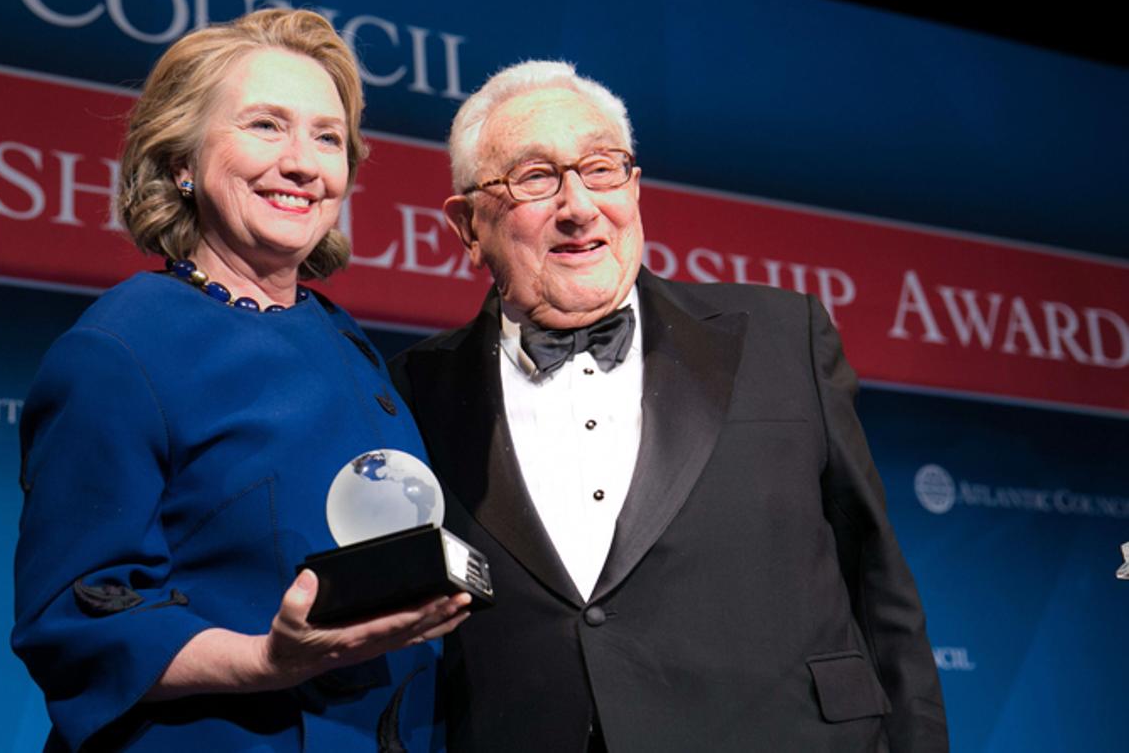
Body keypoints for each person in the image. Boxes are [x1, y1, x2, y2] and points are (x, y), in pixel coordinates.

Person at [388, 61, 948, 752]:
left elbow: (879, 585)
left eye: (600, 169)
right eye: (534, 178)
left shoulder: (783, 337)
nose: (578, 206)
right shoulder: (413, 389)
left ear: (634, 188)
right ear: (467, 225)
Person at [12, 8, 469, 752]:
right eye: (265, 125)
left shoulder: (343, 339)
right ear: (180, 162)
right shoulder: (121, 346)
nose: (302, 162)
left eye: (327, 137)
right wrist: (265, 661)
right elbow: (72, 619)